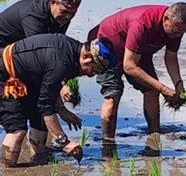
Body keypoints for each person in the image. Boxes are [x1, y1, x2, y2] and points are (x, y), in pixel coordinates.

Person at [0, 34, 116, 167]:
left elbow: (50, 91)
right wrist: (64, 142)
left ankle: (39, 160)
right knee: (17, 129)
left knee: (40, 121)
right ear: (86, 57)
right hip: (6, 77)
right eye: (94, 70)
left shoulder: (72, 53)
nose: (91, 75)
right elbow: (46, 106)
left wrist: (61, 110)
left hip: (28, 80)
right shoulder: (61, 63)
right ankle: (8, 173)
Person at [87, 3, 186, 142]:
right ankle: (108, 143)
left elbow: (171, 57)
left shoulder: (176, 27)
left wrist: (179, 85)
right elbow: (129, 66)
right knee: (113, 93)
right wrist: (164, 89)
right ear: (165, 18)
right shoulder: (142, 23)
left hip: (139, 51)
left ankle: (154, 135)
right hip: (107, 47)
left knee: (151, 90)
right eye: (175, 31)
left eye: (181, 32)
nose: (177, 35)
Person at [0, 0, 82, 47]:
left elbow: (58, 40)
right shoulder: (35, 15)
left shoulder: (61, 12)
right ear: (52, 3)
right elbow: (38, 48)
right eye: (64, 11)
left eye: (73, 13)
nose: (68, 17)